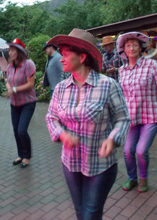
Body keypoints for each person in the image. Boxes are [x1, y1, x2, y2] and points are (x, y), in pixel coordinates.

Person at [45, 29, 131, 220]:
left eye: (66, 55)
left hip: (100, 165)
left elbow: (123, 118)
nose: (61, 59)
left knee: (91, 214)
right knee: (80, 212)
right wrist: (61, 134)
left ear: (82, 57)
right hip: (70, 163)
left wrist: (112, 138)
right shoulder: (60, 89)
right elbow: (51, 117)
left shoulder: (107, 85)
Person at [117, 32, 157, 193]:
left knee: (141, 150)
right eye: (128, 45)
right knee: (128, 151)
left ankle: (143, 179)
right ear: (124, 49)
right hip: (131, 117)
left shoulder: (151, 65)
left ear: (141, 47)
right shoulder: (122, 70)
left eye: (135, 45)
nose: (132, 48)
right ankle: (132, 178)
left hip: (151, 115)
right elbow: (120, 95)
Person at [6, 38, 37, 168]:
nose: (10, 53)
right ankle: (21, 154)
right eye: (9, 50)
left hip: (28, 103)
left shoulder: (28, 64)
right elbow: (7, 80)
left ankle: (27, 156)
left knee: (22, 131)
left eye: (12, 50)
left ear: (19, 51)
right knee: (15, 130)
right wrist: (9, 87)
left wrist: (14, 89)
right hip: (14, 103)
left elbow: (30, 84)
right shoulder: (9, 66)